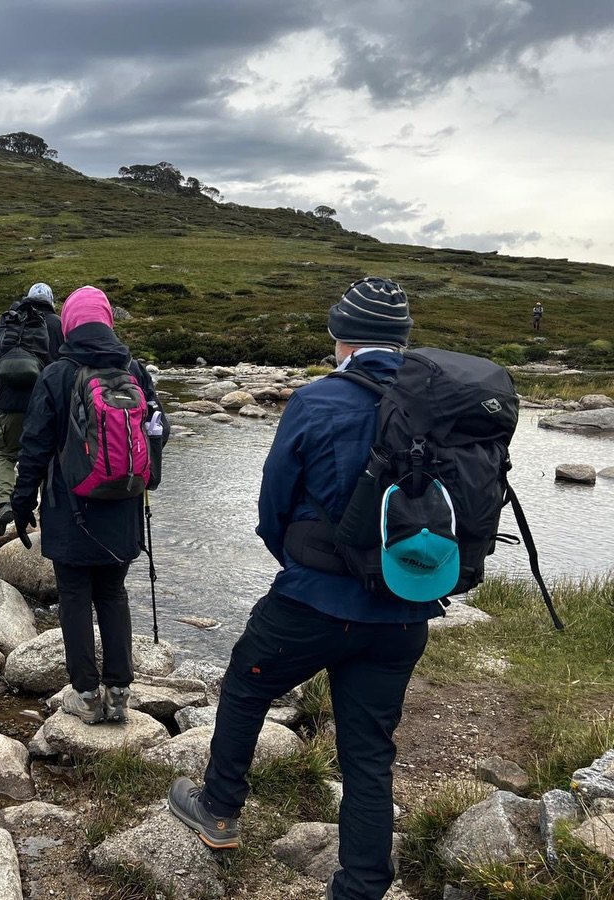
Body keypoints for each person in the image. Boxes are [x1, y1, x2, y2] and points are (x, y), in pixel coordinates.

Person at [167, 277, 438, 900]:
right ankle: (362, 884)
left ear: (342, 339)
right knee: (369, 753)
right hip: (404, 610)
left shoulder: (317, 401)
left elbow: (273, 505)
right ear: (403, 340)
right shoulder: (436, 405)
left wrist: (297, 562)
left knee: (244, 684)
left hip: (314, 600)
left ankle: (220, 809)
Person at [9, 286, 166, 725]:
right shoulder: (134, 370)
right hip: (124, 507)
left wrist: (21, 505)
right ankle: (119, 693)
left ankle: (85, 696)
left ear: (71, 323)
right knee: (113, 593)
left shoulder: (57, 373)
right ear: (108, 322)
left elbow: (34, 448)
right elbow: (158, 433)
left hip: (70, 508)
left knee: (75, 596)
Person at [0, 283, 64, 534]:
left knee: (5, 454)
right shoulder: (58, 324)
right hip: (43, 404)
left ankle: (5, 503)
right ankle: (46, 514)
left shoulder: (9, 323)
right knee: (48, 458)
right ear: (51, 300)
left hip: (8, 404)